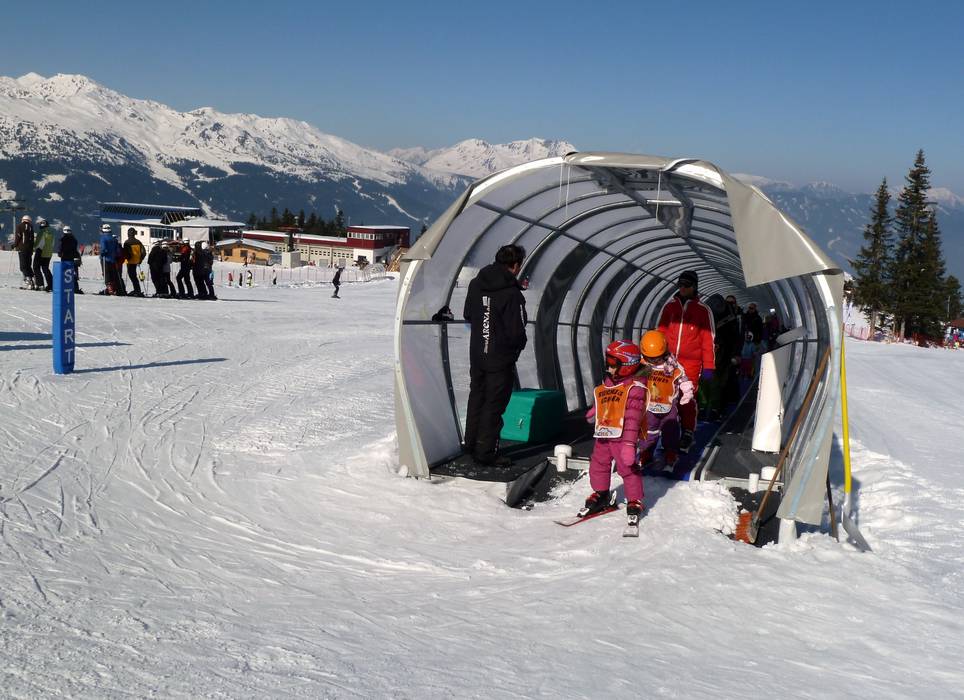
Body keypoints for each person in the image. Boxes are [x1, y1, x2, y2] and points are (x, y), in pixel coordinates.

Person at [462, 244, 528, 467]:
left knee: (477, 397)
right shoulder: (511, 293)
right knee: (494, 404)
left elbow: (468, 314)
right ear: (515, 265)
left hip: (477, 353)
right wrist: (516, 349)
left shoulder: (476, 284)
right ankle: (486, 452)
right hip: (500, 358)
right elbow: (517, 331)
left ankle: (471, 444)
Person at [580, 340, 648, 527]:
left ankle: (634, 499)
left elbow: (633, 418)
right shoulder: (610, 380)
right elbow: (606, 398)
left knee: (627, 468)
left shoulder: (635, 388)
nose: (608, 367)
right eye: (607, 361)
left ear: (627, 365)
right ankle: (601, 493)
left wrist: (629, 444)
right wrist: (595, 411)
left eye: (613, 363)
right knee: (598, 463)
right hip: (604, 433)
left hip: (623, 436)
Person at [656, 270, 715, 452]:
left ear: (694, 286)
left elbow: (708, 339)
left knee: (686, 398)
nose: (682, 288)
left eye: (686, 285)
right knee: (665, 395)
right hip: (669, 361)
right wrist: (656, 356)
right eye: (680, 284)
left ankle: (688, 431)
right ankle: (668, 430)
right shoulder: (670, 307)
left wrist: (709, 366)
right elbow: (661, 332)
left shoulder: (703, 310)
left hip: (691, 364)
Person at [635, 330, 694, 472]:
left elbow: (683, 379)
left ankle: (671, 454)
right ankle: (646, 452)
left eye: (657, 358)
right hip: (649, 407)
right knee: (648, 432)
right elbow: (634, 381)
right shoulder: (643, 366)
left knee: (671, 430)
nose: (654, 361)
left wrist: (687, 392)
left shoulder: (672, 366)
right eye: (650, 358)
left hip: (669, 406)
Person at [57, 225, 84, 294]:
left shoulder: (62, 239)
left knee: (65, 273)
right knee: (73, 273)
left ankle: (65, 287)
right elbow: (75, 249)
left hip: (65, 258)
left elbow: (60, 248)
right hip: (73, 258)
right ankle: (75, 288)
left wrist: (59, 253)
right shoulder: (74, 239)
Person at [32, 217, 55, 292]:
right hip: (49, 253)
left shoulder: (42, 232)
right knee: (45, 268)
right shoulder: (51, 233)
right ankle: (51, 285)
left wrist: (33, 247)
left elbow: (39, 243)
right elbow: (53, 243)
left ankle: (40, 284)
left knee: (36, 267)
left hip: (41, 251)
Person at [122, 228, 146, 297]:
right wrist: (140, 259)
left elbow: (125, 253)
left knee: (132, 276)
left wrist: (125, 258)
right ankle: (137, 289)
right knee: (134, 276)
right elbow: (144, 252)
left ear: (128, 234)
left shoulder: (127, 242)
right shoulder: (138, 242)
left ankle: (137, 290)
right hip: (136, 261)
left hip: (129, 261)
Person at [15, 215, 36, 289]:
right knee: (28, 266)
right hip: (29, 250)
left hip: (22, 249)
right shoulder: (31, 227)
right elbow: (32, 239)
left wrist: (14, 245)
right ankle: (34, 280)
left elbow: (18, 237)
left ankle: (28, 282)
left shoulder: (20, 226)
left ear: (23, 220)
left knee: (23, 267)